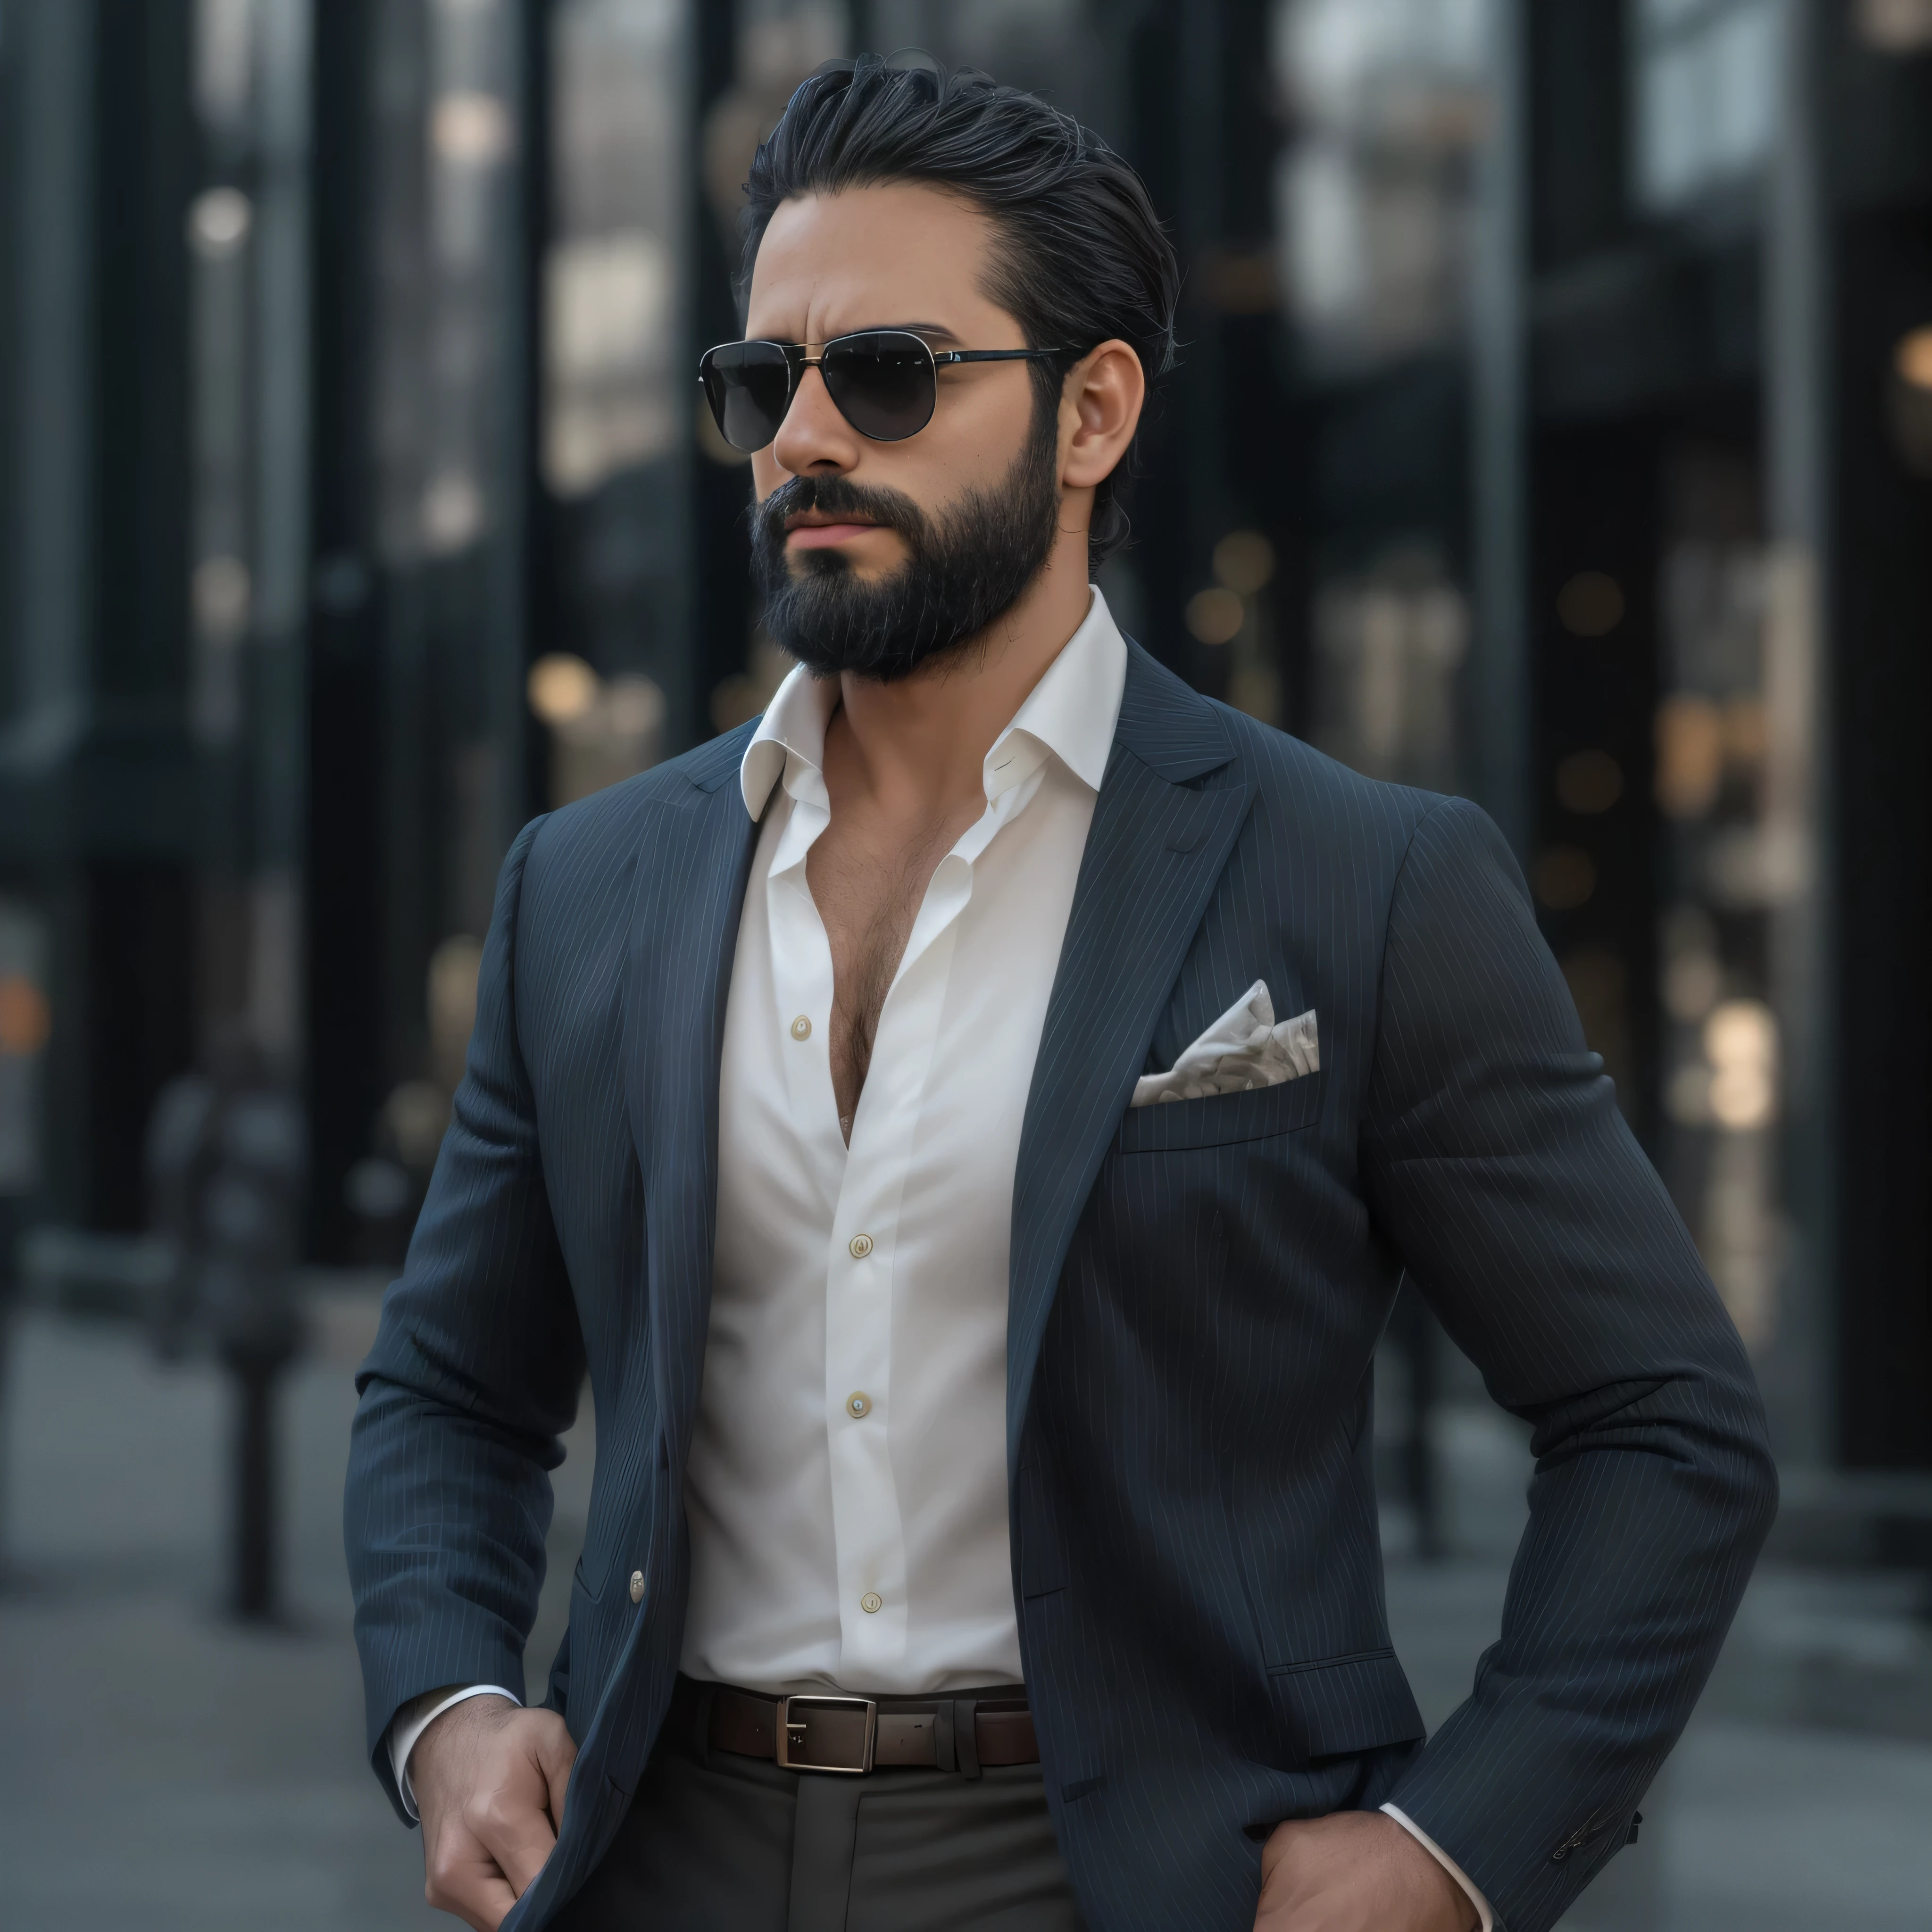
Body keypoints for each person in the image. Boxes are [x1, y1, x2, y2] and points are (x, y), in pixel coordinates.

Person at [344, 57, 1776, 1932]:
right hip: (655, 1845)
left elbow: (1662, 1420)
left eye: (886, 374)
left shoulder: (1359, 876)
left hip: (1132, 1870)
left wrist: (1448, 1851)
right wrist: (448, 1708)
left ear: (1091, 409)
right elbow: (450, 1390)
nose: (802, 438)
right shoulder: (587, 887)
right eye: (760, 384)